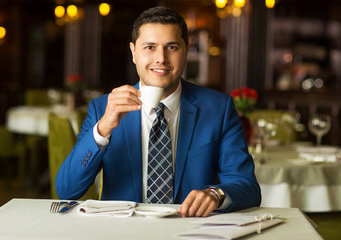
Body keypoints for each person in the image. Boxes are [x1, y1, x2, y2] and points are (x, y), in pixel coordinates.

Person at [55, 6, 261, 217]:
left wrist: (217, 194)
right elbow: (67, 190)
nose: (161, 58)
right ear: (134, 52)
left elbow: (247, 187)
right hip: (122, 232)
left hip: (190, 229)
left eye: (172, 47)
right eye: (150, 47)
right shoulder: (103, 108)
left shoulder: (219, 108)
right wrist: (104, 127)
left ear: (186, 50)